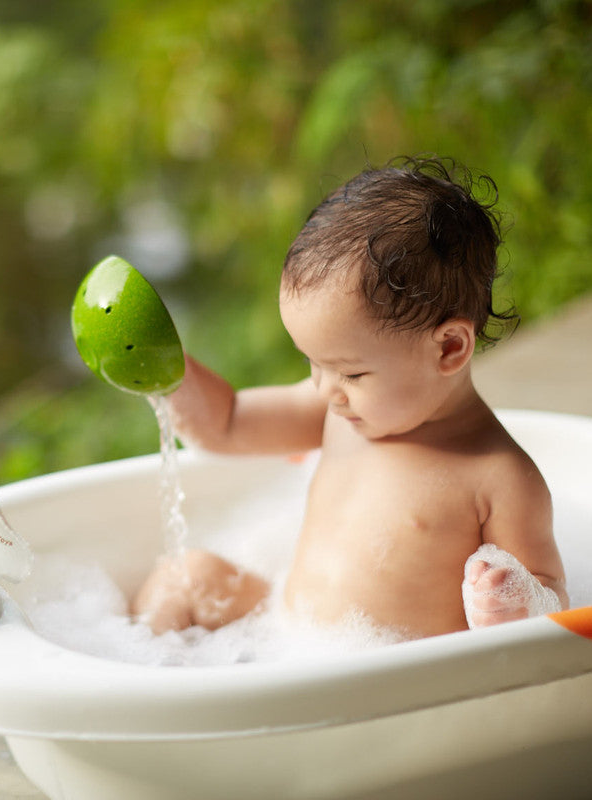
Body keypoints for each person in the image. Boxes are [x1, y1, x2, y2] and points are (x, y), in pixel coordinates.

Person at [132, 156, 568, 639]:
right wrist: (166, 369)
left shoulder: (499, 477)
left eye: (351, 372)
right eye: (313, 363)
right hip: (285, 634)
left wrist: (517, 601)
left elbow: (552, 600)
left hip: (383, 678)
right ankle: (144, 686)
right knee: (184, 576)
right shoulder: (337, 411)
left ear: (449, 348)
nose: (324, 389)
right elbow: (227, 423)